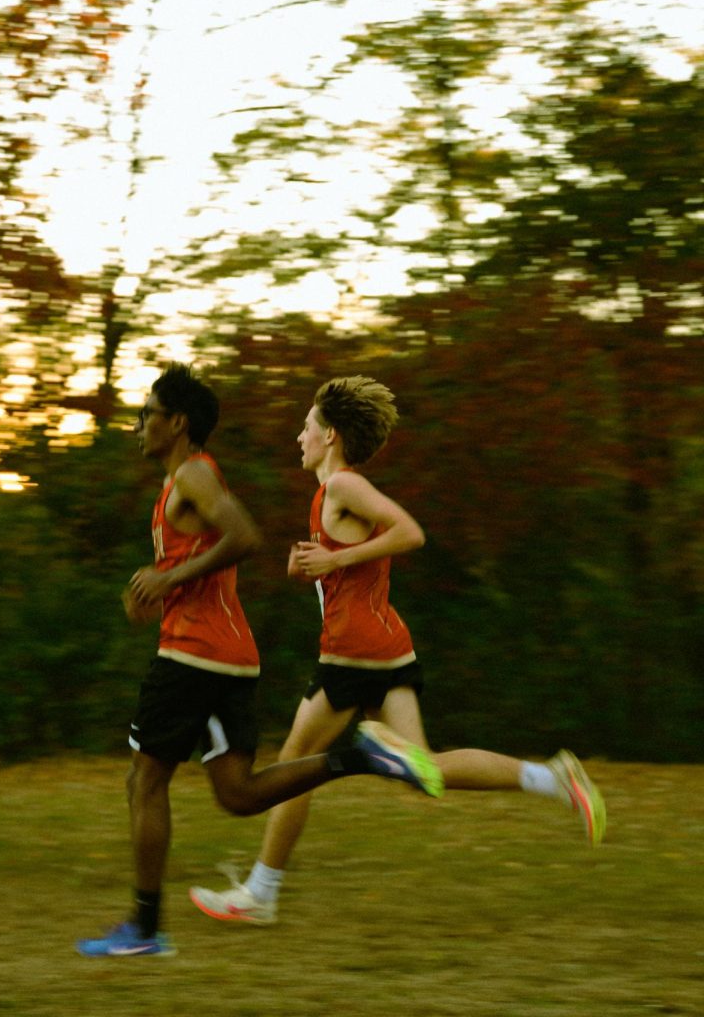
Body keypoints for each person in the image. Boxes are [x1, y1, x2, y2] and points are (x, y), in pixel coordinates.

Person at [189, 375, 606, 927]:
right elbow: (362, 557)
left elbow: (411, 533)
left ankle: (262, 892)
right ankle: (554, 777)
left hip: (353, 654)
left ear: (330, 434)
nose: (299, 435)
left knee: (293, 766)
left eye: (307, 426)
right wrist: (318, 566)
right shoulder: (331, 493)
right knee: (426, 772)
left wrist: (334, 562)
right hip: (386, 649)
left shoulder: (343, 486)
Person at [78, 365, 442, 958]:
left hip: (195, 652)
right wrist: (162, 589)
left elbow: (244, 538)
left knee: (144, 780)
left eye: (148, 413)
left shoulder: (193, 473)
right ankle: (360, 756)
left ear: (178, 423)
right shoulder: (184, 482)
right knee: (239, 794)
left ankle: (144, 930)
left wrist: (167, 578)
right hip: (226, 655)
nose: (140, 424)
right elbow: (214, 554)